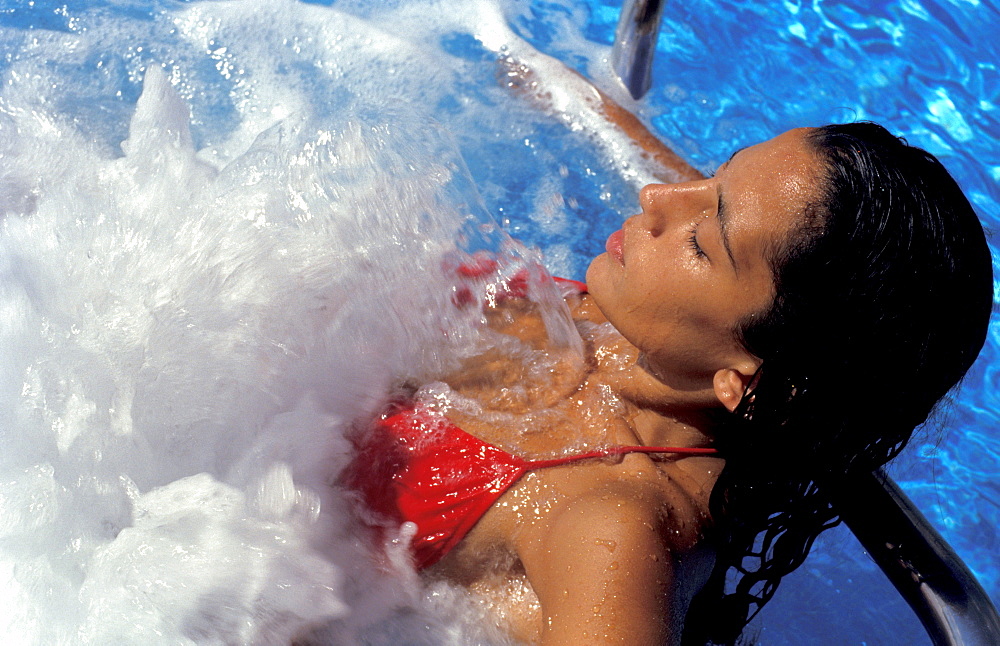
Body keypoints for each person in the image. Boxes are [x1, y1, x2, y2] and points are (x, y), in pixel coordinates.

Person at [344, 59, 993, 645]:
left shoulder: (606, 529)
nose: (658, 200)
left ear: (748, 375)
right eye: (713, 178)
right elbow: (756, 220)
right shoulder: (669, 331)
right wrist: (576, 99)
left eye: (703, 241)